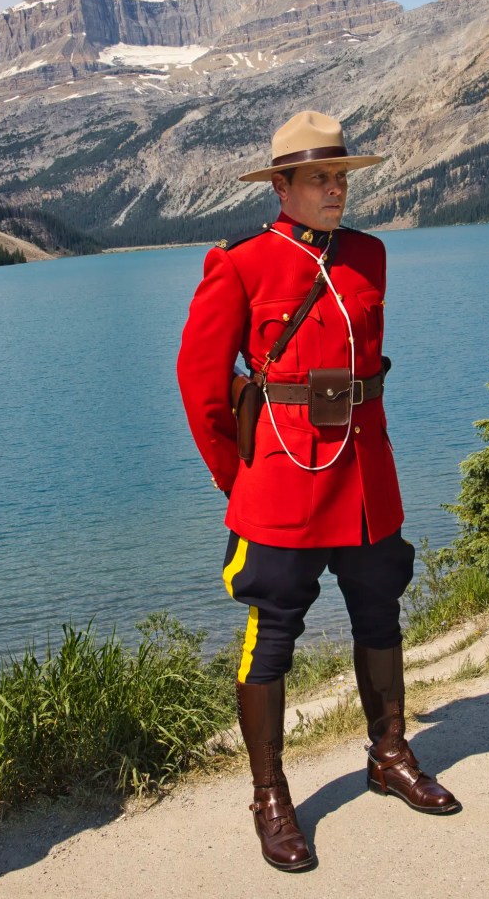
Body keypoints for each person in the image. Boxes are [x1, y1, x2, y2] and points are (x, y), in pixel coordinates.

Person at [177, 110, 461, 872]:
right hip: (282, 481)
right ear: (281, 187)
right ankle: (269, 793)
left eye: (341, 177)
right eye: (319, 179)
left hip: (366, 477)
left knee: (379, 611)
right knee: (271, 634)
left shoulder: (369, 254)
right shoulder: (238, 263)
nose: (336, 190)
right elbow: (201, 386)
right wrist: (235, 477)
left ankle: (389, 752)